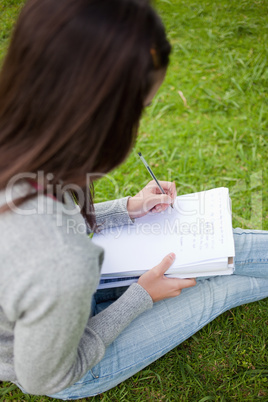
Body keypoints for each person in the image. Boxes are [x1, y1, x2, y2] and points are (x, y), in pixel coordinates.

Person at [0, 0, 267, 399]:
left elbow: (53, 221)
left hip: (50, 300)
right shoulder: (58, 259)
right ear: (98, 114)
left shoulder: (19, 143)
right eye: (139, 111)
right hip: (66, 361)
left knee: (231, 245)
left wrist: (126, 208)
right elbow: (45, 378)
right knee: (213, 288)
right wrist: (140, 297)